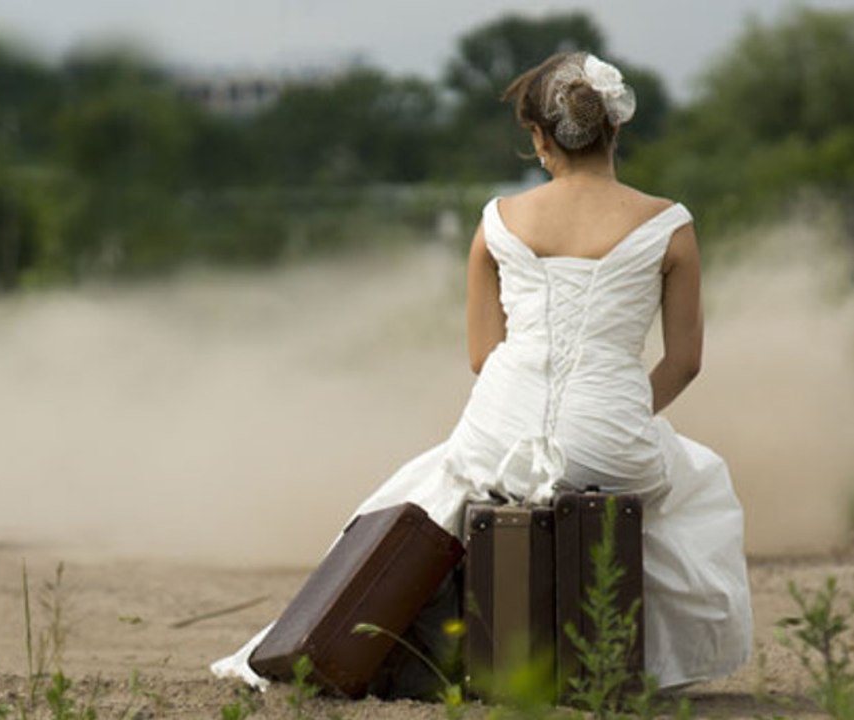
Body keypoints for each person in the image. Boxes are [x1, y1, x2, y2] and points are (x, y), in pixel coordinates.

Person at [211, 51, 752, 692]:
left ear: (539, 138)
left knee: (427, 486)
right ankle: (632, 662)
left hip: (500, 428)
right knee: (695, 481)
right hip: (613, 430)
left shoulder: (499, 220)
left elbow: (482, 356)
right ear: (615, 128)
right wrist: (621, 410)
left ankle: (355, 640)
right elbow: (685, 361)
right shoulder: (671, 224)